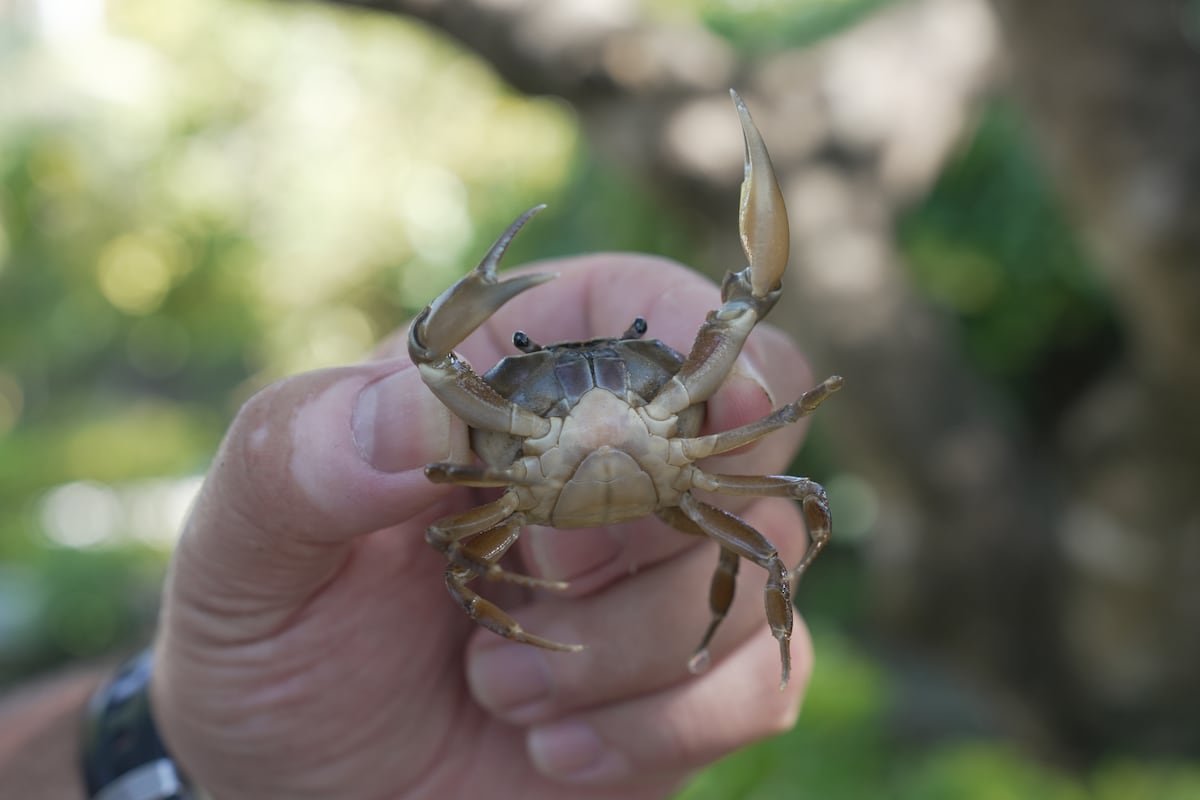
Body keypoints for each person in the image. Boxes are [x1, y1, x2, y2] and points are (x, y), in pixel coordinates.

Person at [0, 252, 819, 799]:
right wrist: (184, 743)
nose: (590, 389)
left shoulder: (695, 409)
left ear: (663, 362)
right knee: (461, 558)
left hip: (651, 498)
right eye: (545, 371)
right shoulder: (463, 472)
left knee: (767, 547)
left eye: (627, 359)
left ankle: (739, 635)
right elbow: (446, 500)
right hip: (520, 511)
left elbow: (771, 411)